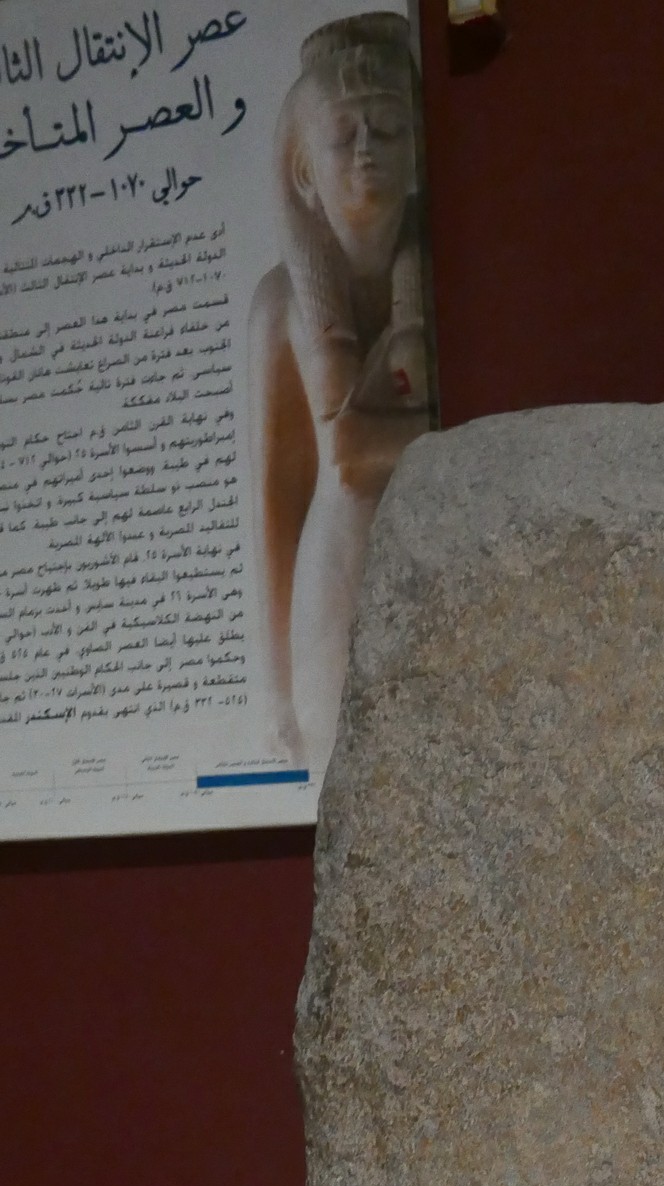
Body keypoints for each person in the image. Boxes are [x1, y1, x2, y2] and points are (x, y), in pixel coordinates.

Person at [249, 13, 431, 769]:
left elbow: (355, 453)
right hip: (334, 580)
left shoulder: (450, 291)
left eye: (387, 128)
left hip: (434, 565)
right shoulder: (281, 306)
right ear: (302, 169)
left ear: (417, 146)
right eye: (343, 134)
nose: (365, 151)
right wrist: (275, 688)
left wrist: (367, 446)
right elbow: (279, 493)